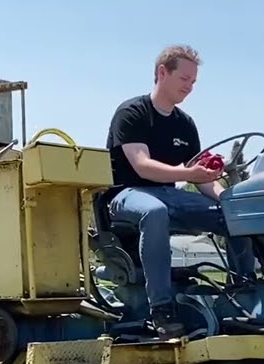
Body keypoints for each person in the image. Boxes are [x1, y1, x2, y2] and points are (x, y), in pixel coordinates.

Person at [105, 44, 255, 338]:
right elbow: (142, 166)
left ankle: (244, 289)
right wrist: (189, 173)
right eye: (184, 79)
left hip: (169, 195)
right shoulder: (132, 112)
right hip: (126, 194)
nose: (189, 87)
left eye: (194, 82)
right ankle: (161, 307)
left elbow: (201, 178)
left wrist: (228, 198)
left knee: (233, 214)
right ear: (162, 73)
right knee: (155, 212)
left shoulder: (185, 124)